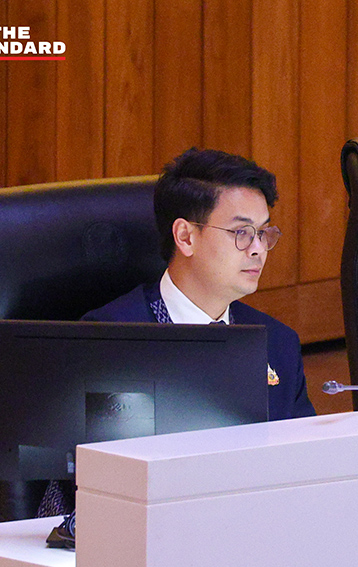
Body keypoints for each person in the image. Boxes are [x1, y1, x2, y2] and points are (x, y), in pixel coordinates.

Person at [39, 148, 315, 517]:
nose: (258, 250)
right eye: (241, 233)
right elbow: (98, 488)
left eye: (264, 233)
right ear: (185, 236)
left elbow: (307, 469)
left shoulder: (278, 343)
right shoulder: (112, 337)